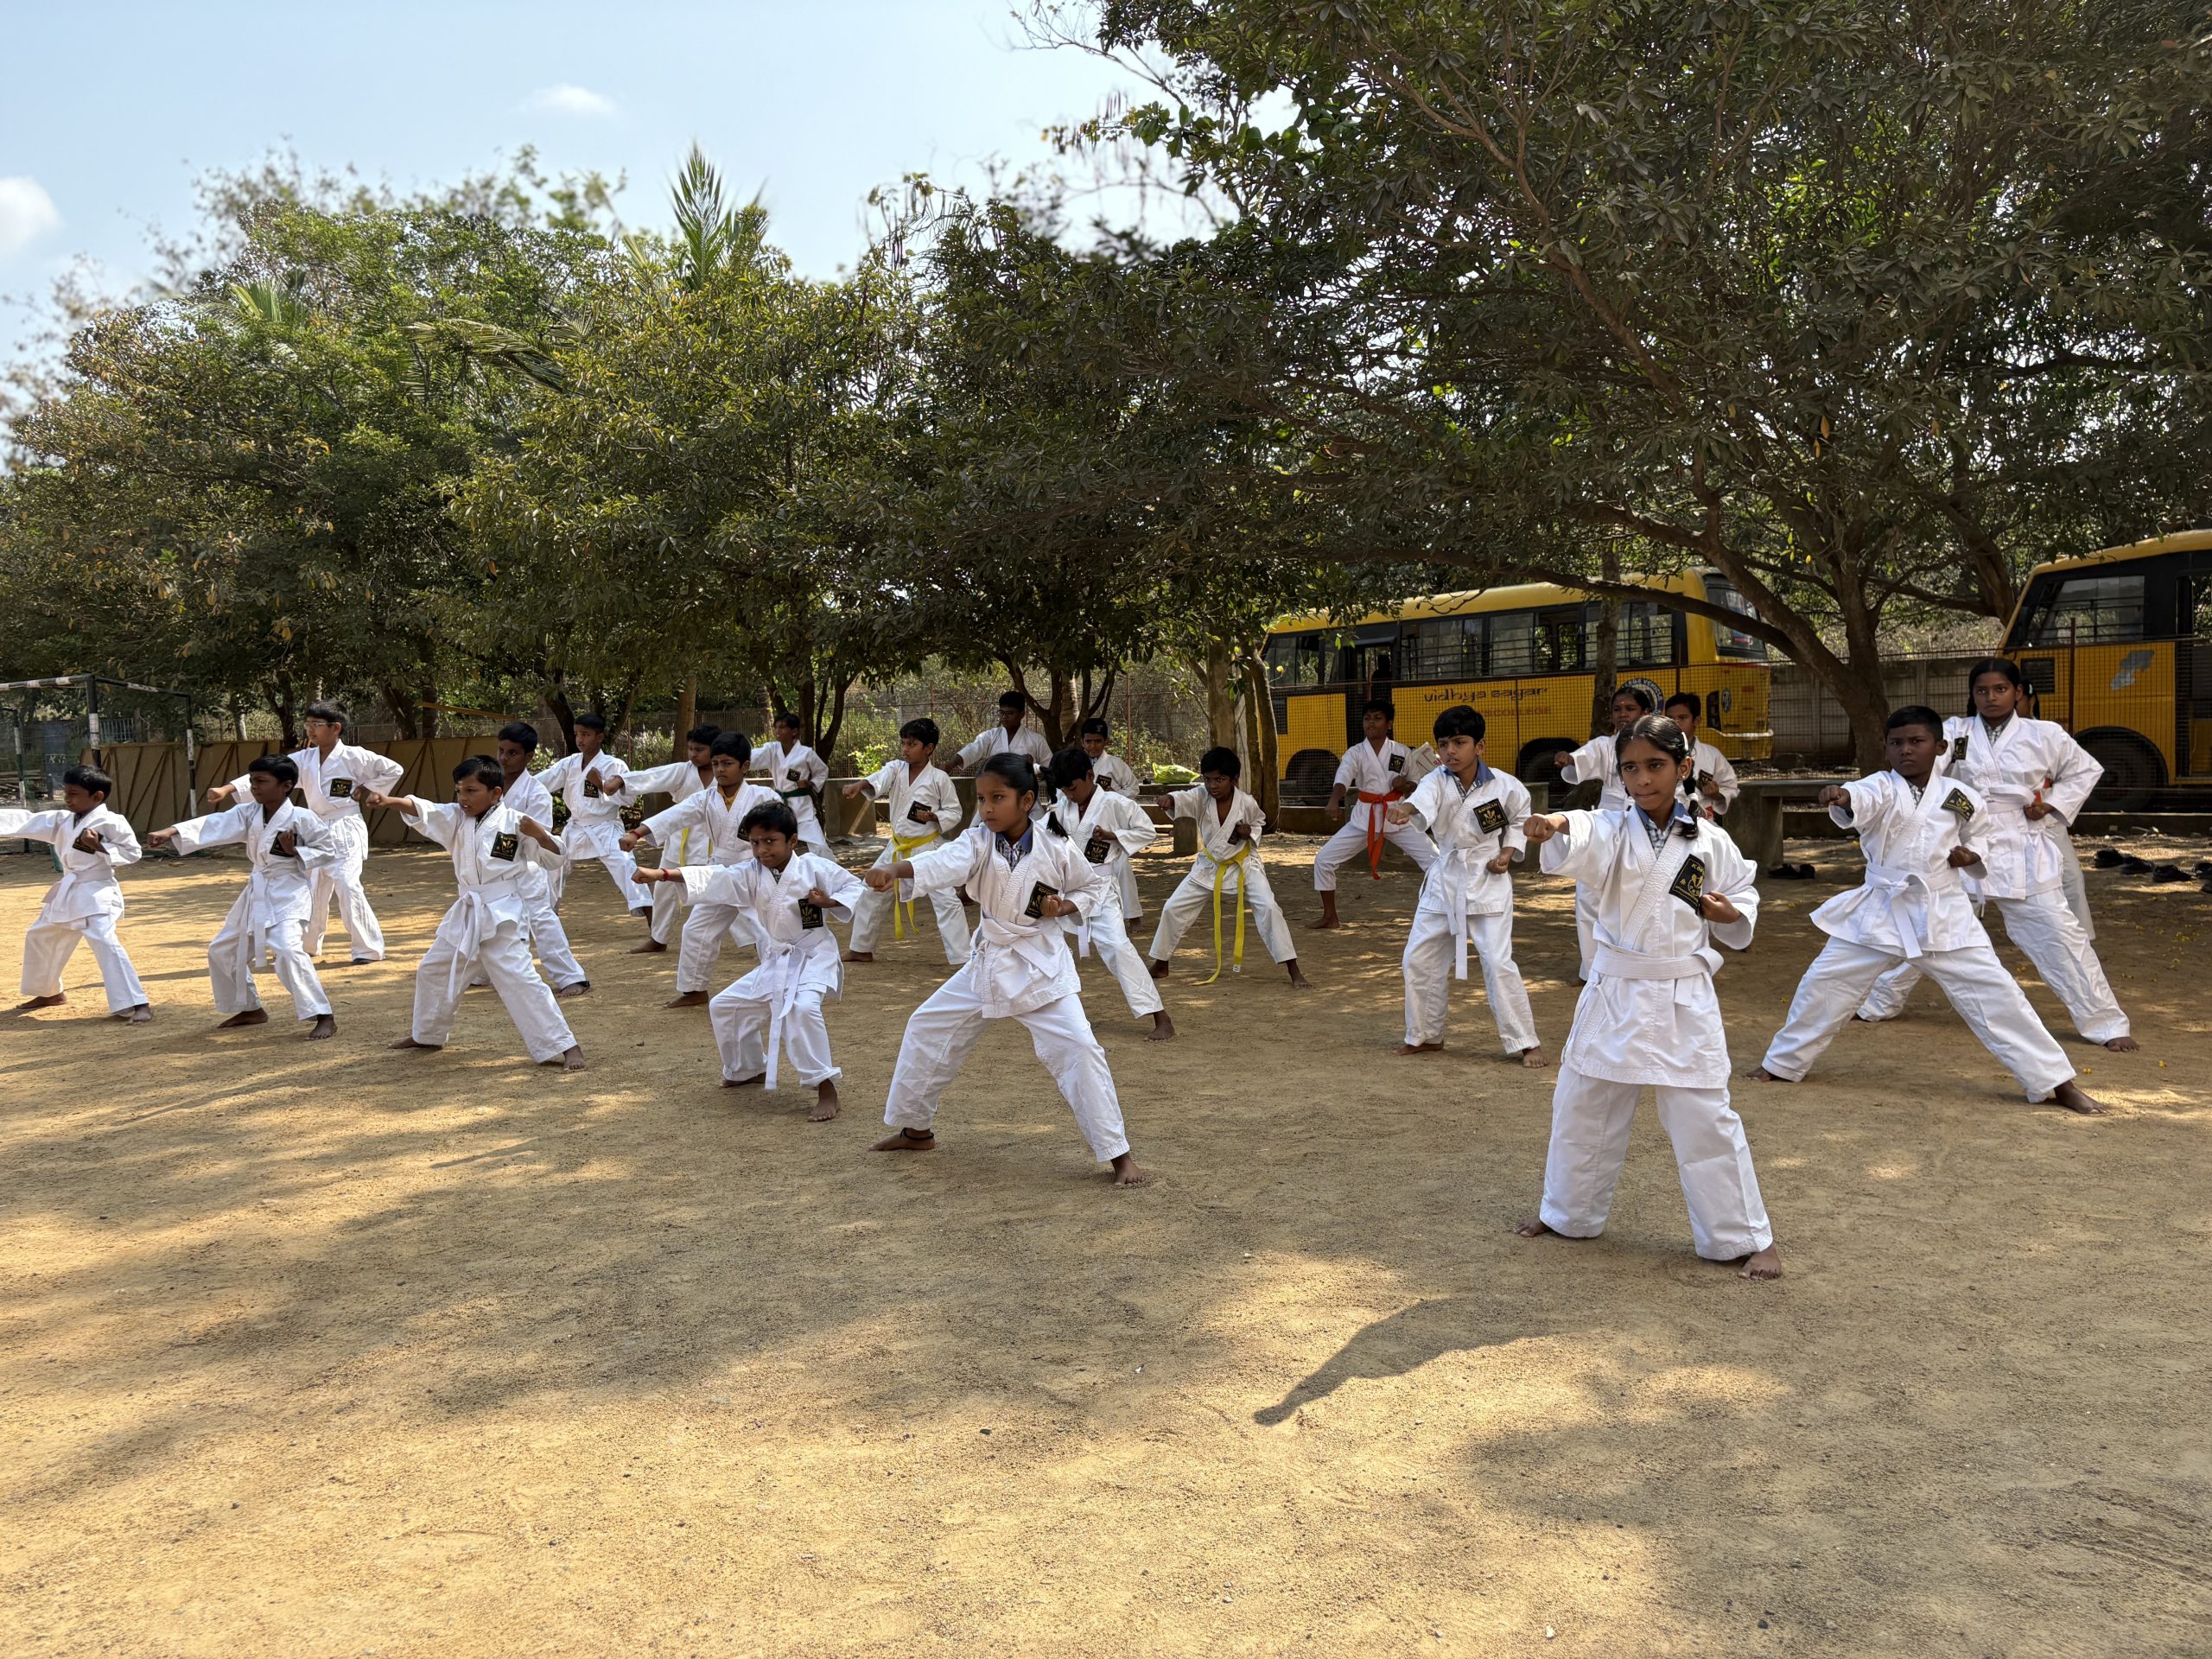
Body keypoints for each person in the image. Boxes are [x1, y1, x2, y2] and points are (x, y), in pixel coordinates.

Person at [1516, 714, 1780, 1280]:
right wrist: (1554, 823)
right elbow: (1585, 827)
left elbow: (1741, 893)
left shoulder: (1711, 840)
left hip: (1682, 994)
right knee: (1582, 1106)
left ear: (1684, 768)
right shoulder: (1613, 829)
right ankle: (1568, 1214)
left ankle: (1742, 1236)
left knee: (1705, 1117)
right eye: (1630, 768)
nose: (1641, 779)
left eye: (1655, 765)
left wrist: (1730, 914)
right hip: (1615, 991)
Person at [1751, 707, 2101, 1112]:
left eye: (1916, 742)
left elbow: (1981, 834)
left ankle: (2056, 1082)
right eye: (1896, 743)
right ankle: (1783, 1063)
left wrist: (1971, 855)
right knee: (1824, 982)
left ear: (1939, 747)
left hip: (1943, 910)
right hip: (1881, 907)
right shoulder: (1880, 786)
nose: (1906, 750)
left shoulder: (1959, 795)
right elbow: (1861, 799)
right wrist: (1843, 797)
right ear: (1886, 748)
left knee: (1997, 993)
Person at [863, 753, 1147, 1185]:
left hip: (1040, 966)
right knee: (927, 1026)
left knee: (1080, 1048)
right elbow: (942, 862)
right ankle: (916, 1129)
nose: (987, 808)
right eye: (981, 799)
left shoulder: (1056, 844)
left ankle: (1118, 1153)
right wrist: (895, 868)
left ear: (1026, 800)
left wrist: (1063, 907)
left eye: (998, 798)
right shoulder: (977, 841)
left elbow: (1091, 885)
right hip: (990, 959)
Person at [1853, 658, 2134, 1051]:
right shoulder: (1956, 731)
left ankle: (2105, 1022)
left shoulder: (2044, 734)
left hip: (2023, 844)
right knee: (1927, 927)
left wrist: (2050, 803)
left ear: (2017, 692)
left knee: (2059, 936)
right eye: (1982, 691)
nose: (1991, 697)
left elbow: (2085, 770)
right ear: (1973, 695)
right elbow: (1923, 771)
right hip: (1961, 843)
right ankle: (1879, 1001)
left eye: (2000, 689)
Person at [635, 801, 868, 1122]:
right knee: (726, 1006)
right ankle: (747, 1068)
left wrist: (829, 902)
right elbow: (714, 876)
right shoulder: (750, 872)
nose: (762, 850)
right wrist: (662, 874)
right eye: (755, 843)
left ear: (792, 841)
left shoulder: (814, 867)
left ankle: (826, 1087)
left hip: (814, 955)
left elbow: (854, 886)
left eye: (770, 841)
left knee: (802, 1009)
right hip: (779, 958)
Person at [365, 758, 583, 1071]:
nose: (463, 798)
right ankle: (427, 1034)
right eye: (459, 791)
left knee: (520, 979)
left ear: (495, 793)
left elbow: (554, 859)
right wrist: (389, 801)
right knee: (433, 969)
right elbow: (426, 809)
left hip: (503, 914)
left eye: (471, 791)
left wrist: (541, 835)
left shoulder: (517, 823)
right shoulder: (457, 818)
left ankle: (565, 1045)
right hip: (468, 909)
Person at [1385, 707, 1542, 1065]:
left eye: (1459, 742)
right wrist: (1406, 809)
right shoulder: (1436, 780)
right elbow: (1421, 800)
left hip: (1488, 877)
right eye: (1443, 744)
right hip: (1446, 878)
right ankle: (1425, 1035)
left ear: (1480, 746)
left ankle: (1525, 1040)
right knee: (1418, 958)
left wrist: (1507, 853)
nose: (1450, 751)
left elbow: (1520, 819)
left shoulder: (1505, 785)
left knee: (1498, 962)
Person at [149, 753, 340, 1039]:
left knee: (287, 949)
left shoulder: (303, 818)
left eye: (261, 781)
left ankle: (323, 1014)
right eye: (252, 781)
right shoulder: (249, 813)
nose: (254, 787)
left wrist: (296, 852)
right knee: (222, 950)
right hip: (257, 890)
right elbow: (216, 823)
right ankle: (250, 1008)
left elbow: (329, 851)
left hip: (289, 890)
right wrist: (171, 831)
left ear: (286, 786)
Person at [206, 702, 403, 964]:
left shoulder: (355, 757)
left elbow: (393, 769)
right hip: (314, 827)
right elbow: (273, 772)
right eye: (308, 724)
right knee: (310, 887)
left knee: (347, 885)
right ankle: (305, 945)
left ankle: (368, 949)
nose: (310, 730)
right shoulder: (304, 759)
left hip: (344, 826)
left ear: (336, 728)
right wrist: (227, 790)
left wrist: (368, 789)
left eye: (316, 725)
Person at [621, 732, 777, 1007]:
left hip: (757, 872)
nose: (720, 770)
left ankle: (780, 986)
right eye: (716, 763)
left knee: (767, 931)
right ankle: (694, 990)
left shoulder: (764, 797)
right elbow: (675, 815)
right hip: (719, 872)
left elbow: (781, 832)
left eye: (727, 763)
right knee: (696, 929)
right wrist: (637, 833)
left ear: (745, 766)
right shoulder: (705, 799)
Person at [2, 764, 150, 1023]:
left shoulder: (111, 821)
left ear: (97, 796)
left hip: (96, 891)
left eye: (74, 794)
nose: (68, 799)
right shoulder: (63, 820)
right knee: (40, 935)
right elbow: (25, 820)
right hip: (68, 891)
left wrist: (100, 846)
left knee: (104, 940)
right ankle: (49, 993)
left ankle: (138, 1003)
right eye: (66, 793)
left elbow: (132, 852)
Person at [1147, 747, 1306, 988]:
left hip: (1244, 864)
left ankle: (1293, 968)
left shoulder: (1247, 802)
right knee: (1172, 908)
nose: (1213, 786)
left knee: (1269, 908)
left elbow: (1260, 822)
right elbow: (1182, 797)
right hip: (1210, 865)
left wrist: (1248, 832)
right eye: (1207, 779)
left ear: (1234, 780)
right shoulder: (1201, 796)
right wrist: (1169, 799)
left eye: (1219, 779)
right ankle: (1161, 963)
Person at [1047, 745, 1174, 1040]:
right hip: (1065, 889)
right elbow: (1043, 837)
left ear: (1089, 776)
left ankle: (1160, 1015)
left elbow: (1147, 831)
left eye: (1072, 788)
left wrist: (1114, 835)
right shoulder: (1061, 807)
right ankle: (1058, 1014)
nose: (1069, 795)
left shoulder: (1116, 804)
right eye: (1064, 790)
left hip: (1100, 889)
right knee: (1041, 942)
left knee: (1117, 947)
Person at [1553, 683, 1662, 980]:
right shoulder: (1605, 745)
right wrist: (1570, 758)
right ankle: (1592, 970)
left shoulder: (1660, 746)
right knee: (1588, 895)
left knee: (1641, 897)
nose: (1623, 714)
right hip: (1609, 826)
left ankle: (1637, 964)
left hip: (1648, 826)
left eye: (1630, 709)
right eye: (1617, 709)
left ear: (1646, 713)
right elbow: (1583, 758)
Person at [842, 717, 970, 964]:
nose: (905, 749)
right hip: (897, 845)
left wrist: (935, 816)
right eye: (903, 743)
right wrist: (860, 784)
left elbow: (955, 812)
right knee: (871, 890)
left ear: (929, 748)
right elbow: (879, 777)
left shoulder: (939, 779)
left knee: (946, 899)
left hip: (928, 847)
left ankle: (963, 957)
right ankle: (861, 948)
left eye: (911, 744)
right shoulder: (896, 769)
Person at [1312, 697, 1435, 927]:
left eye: (1378, 718)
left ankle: (1438, 915)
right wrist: (1334, 800)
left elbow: (1417, 784)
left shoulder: (1401, 752)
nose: (1371, 723)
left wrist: (1404, 786)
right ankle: (1330, 917)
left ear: (1389, 724)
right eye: (1367, 718)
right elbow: (1343, 778)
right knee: (1324, 860)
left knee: (1435, 861)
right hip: (1364, 819)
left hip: (1398, 815)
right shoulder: (1356, 753)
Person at [489, 723, 590, 998]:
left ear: (529, 756)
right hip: (491, 868)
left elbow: (538, 837)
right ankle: (483, 972)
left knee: (542, 920)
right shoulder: (488, 784)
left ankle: (571, 976)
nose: (504, 758)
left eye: (513, 753)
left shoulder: (536, 793)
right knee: (485, 918)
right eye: (501, 751)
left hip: (527, 866)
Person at [607, 724, 719, 957]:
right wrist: (622, 780)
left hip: (715, 840)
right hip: (680, 838)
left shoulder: (727, 772)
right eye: (690, 749)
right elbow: (654, 776)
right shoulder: (683, 771)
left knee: (725, 891)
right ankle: (658, 938)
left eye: (699, 749)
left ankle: (758, 940)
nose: (693, 754)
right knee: (664, 891)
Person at [537, 714, 640, 918]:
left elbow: (629, 799)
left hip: (606, 827)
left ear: (599, 737)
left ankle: (646, 909)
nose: (580, 740)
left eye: (586, 734)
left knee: (625, 865)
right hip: (575, 828)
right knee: (553, 868)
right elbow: (541, 782)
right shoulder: (570, 763)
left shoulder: (614, 765)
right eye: (577, 734)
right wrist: (516, 787)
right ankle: (545, 915)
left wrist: (601, 785)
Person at [2015, 682, 2094, 938]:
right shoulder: (1974, 737)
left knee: (2070, 878)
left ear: (2031, 700)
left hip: (2044, 819)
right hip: (1997, 823)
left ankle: (2078, 937)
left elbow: (2078, 772)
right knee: (1970, 880)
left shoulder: (2048, 734)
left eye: (2017, 698)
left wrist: (2050, 804)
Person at [1080, 716, 1145, 921]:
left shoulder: (1115, 764)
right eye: (1089, 741)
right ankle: (1090, 913)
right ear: (1082, 742)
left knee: (1122, 867)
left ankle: (1133, 915)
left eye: (1098, 741)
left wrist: (1115, 794)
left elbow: (1133, 788)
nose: (1093, 746)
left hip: (1112, 825)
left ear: (1106, 741)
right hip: (1085, 824)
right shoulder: (1077, 764)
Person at [750, 711, 831, 853]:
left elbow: (822, 771)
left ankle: (827, 867)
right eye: (776, 727)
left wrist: (811, 783)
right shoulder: (771, 750)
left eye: (782, 727)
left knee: (820, 846)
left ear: (794, 731)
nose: (777, 731)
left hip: (801, 805)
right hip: (779, 804)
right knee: (772, 843)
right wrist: (735, 757)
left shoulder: (806, 753)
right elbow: (752, 757)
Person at [1665, 693, 1741, 820]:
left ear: (1697, 721)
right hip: (1664, 819)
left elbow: (1730, 787)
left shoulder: (1712, 755)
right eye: (1670, 718)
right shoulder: (1655, 751)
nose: (1675, 723)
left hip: (1701, 820)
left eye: (1682, 718)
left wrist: (1717, 794)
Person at [955, 690, 1055, 774]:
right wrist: (951, 764)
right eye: (1001, 713)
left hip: (1026, 791)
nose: (1004, 717)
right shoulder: (990, 736)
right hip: (995, 790)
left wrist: (1033, 767)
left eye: (1010, 713)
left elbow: (1050, 770)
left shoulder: (1037, 740)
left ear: (1022, 714)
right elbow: (973, 749)